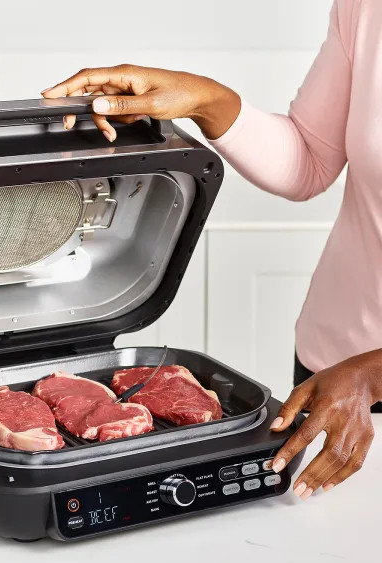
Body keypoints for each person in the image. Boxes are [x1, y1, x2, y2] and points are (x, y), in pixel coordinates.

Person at [41, 0, 380, 500]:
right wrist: (205, 99)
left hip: (362, 378)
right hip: (334, 369)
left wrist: (371, 375)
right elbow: (309, 161)